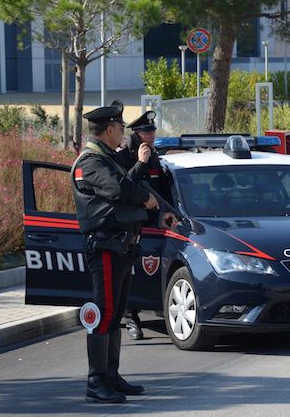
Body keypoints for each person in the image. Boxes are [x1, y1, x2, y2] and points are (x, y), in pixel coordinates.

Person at [71, 100, 175, 403]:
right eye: (118, 127)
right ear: (109, 129)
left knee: (115, 314)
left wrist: (160, 209)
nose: (122, 132)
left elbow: (129, 184)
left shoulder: (109, 158)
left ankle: (111, 376)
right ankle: (96, 381)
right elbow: (120, 190)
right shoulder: (91, 162)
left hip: (120, 245)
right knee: (103, 314)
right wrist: (146, 200)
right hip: (104, 245)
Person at [115, 110, 174, 340]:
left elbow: (160, 186)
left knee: (151, 270)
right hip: (133, 224)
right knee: (133, 270)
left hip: (156, 224)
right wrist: (140, 162)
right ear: (138, 133)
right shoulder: (125, 154)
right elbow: (125, 186)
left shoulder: (154, 153)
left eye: (153, 131)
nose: (152, 134)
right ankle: (131, 318)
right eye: (148, 131)